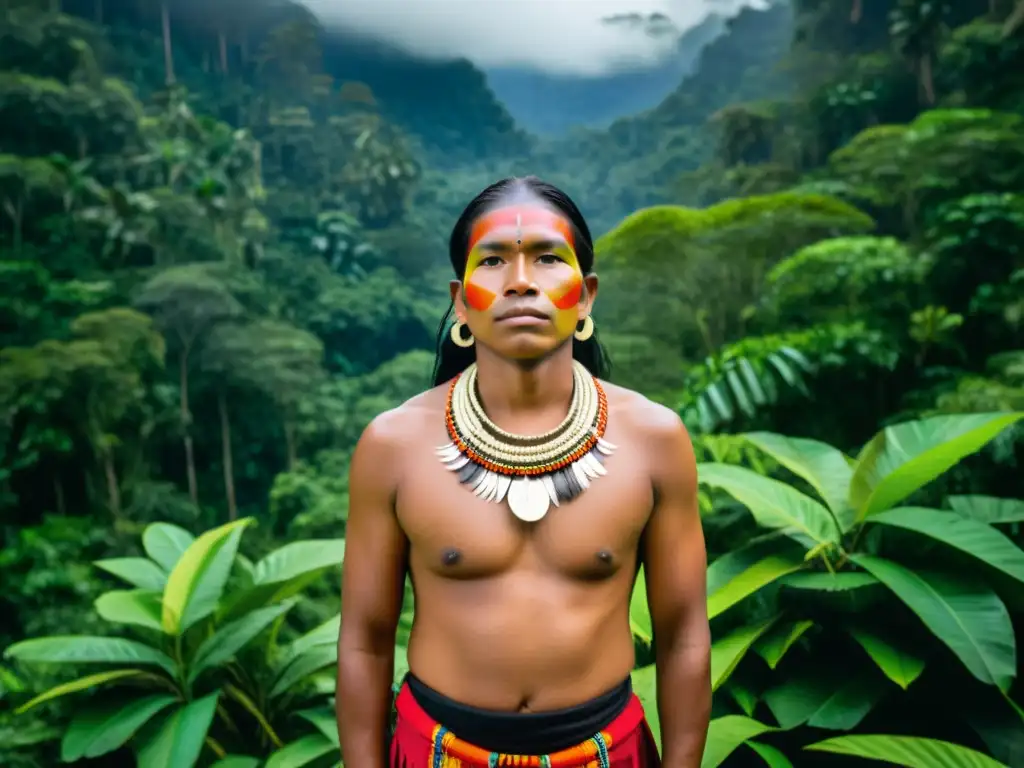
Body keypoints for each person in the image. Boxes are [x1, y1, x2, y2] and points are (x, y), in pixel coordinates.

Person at [337, 176, 710, 768]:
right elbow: (364, 640)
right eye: (493, 261)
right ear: (460, 301)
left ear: (585, 296)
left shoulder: (655, 440)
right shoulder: (393, 446)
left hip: (606, 752)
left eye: (546, 258)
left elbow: (684, 634)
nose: (520, 281)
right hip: (437, 749)